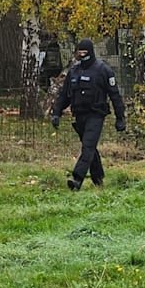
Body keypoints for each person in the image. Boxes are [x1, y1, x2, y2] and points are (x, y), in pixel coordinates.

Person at [50, 38, 126, 190]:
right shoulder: (73, 71)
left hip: (96, 114)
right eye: (79, 52)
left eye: (84, 52)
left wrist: (120, 117)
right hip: (79, 115)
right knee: (89, 148)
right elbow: (64, 95)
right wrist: (56, 113)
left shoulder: (103, 70)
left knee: (88, 146)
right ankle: (98, 179)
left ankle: (77, 179)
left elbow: (115, 95)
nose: (82, 55)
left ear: (90, 52)